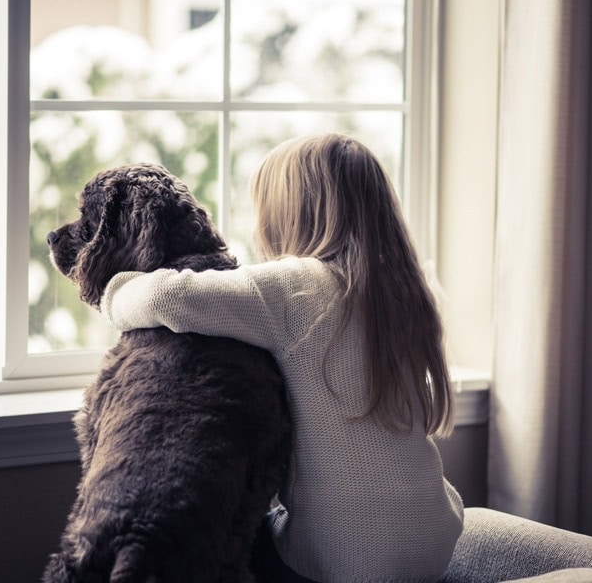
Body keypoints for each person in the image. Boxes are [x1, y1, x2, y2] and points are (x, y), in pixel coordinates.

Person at [99, 133, 464, 583]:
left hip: (349, 562)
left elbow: (167, 298)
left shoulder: (298, 287)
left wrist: (111, 291)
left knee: (244, 534)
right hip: (436, 540)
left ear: (289, 215)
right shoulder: (404, 289)